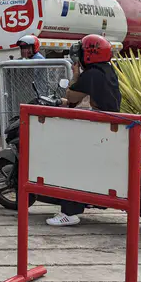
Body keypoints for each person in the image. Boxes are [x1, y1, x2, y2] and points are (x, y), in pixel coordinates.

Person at [46, 34, 121, 227]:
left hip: (98, 129)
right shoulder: (107, 71)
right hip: (108, 127)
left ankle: (69, 213)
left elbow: (71, 95)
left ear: (89, 54)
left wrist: (76, 73)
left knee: (71, 164)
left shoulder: (91, 74)